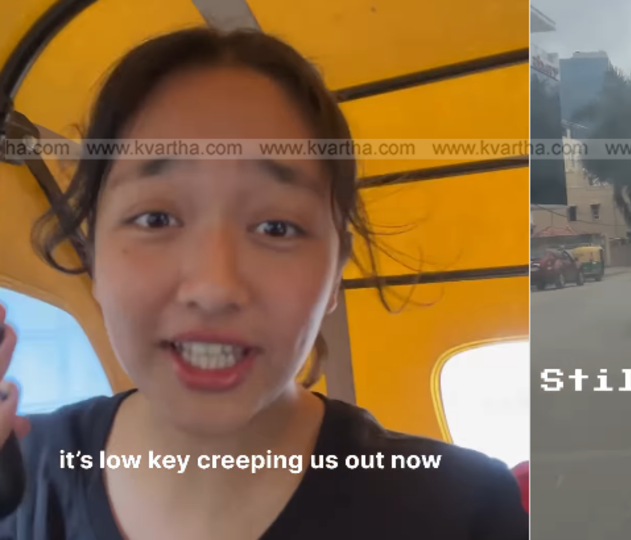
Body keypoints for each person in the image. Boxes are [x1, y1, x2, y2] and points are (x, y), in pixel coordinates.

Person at [0, 28, 527, 539]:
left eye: (277, 228)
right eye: (156, 219)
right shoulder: (18, 477)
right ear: (93, 252)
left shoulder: (463, 510)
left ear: (335, 271)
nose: (214, 287)